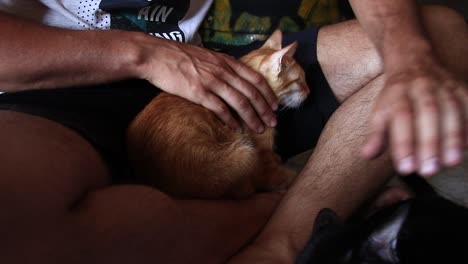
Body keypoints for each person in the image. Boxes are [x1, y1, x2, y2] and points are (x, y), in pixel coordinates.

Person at [0, 0, 466, 263]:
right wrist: (144, 54)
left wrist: (409, 59)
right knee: (18, 228)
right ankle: (293, 207)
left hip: (215, 71)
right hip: (58, 82)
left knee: (440, 36)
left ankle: (280, 243)